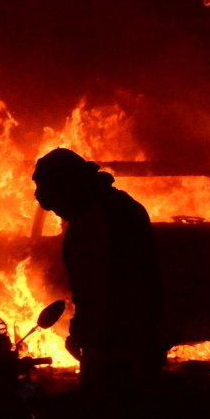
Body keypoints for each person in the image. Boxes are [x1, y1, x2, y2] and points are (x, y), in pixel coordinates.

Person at [32, 148, 164, 396]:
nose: (58, 213)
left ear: (67, 189)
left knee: (110, 418)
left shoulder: (94, 221)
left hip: (118, 346)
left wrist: (84, 335)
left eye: (56, 204)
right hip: (138, 339)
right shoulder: (121, 206)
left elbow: (99, 289)